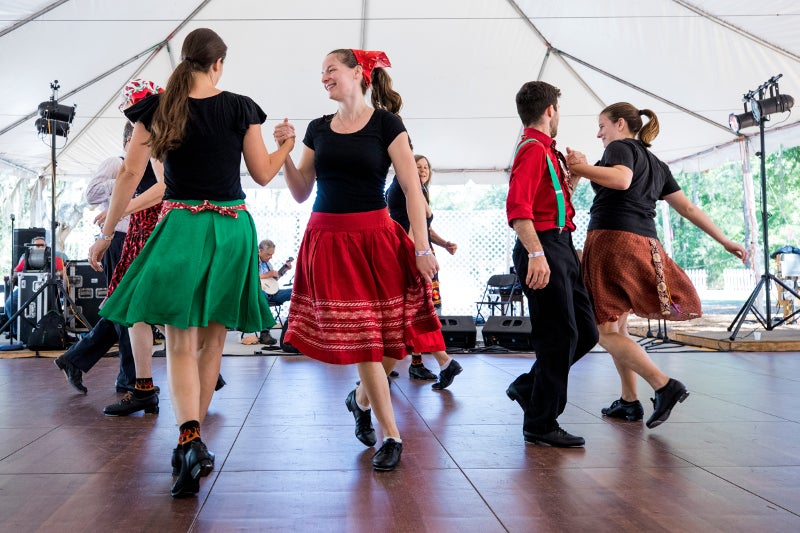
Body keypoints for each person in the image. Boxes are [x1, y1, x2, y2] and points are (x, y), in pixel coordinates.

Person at [88, 28, 292, 497]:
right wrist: (286, 143)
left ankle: (190, 438)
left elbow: (128, 174)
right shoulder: (241, 106)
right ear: (218, 63)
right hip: (232, 228)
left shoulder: (157, 108)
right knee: (212, 343)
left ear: (185, 60)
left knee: (179, 343)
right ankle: (193, 443)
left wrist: (105, 234)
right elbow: (262, 174)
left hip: (180, 227)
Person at [274, 48, 440, 471]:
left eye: (330, 68)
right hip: (329, 240)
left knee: (392, 341)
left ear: (357, 73)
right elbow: (299, 191)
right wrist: (287, 154)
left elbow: (412, 190)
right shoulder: (317, 128)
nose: (324, 76)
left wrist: (422, 247)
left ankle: (360, 399)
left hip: (378, 238)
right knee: (367, 337)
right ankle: (392, 436)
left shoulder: (387, 124)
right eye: (321, 71)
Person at [565, 102, 747, 428]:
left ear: (620, 124)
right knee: (617, 327)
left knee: (602, 332)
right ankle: (629, 401)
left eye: (602, 126)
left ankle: (664, 385)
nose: (598, 133)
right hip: (645, 243)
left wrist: (578, 169)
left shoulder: (620, 147)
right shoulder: (657, 164)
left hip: (613, 242)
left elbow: (620, 181)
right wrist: (725, 240)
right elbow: (688, 208)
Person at [504, 81, 599, 448]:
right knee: (557, 337)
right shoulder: (530, 149)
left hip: (561, 243)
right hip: (543, 246)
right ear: (550, 111)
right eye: (558, 109)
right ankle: (541, 423)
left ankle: (529, 387)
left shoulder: (548, 151)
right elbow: (518, 209)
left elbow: (555, 201)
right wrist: (536, 254)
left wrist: (573, 174)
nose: (559, 115)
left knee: (586, 332)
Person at [54, 122, 136, 395]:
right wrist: (125, 182)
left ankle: (74, 359)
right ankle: (128, 378)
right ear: (129, 138)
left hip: (140, 241)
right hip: (118, 240)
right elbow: (91, 194)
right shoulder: (117, 163)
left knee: (124, 309)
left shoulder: (149, 167)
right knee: (125, 309)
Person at [385, 154, 462, 388]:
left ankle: (433, 363)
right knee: (411, 313)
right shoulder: (408, 186)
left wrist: (441, 243)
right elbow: (414, 222)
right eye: (417, 166)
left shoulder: (413, 188)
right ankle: (439, 363)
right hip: (411, 257)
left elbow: (423, 225)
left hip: (415, 256)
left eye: (426, 167)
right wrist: (415, 255)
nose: (422, 170)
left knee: (412, 313)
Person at [3, 236, 66, 337]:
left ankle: (49, 334)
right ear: (32, 248)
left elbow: (64, 272)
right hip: (26, 289)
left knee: (53, 309)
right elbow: (16, 272)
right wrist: (13, 277)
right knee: (10, 303)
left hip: (48, 288)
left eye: (43, 245)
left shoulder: (56, 259)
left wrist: (55, 274)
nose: (41, 247)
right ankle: (16, 331)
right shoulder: (26, 258)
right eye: (37, 245)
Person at [241, 239, 292, 345]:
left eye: (272, 254)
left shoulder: (268, 264)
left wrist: (284, 270)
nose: (270, 257)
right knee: (261, 296)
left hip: (272, 293)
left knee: (294, 292)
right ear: (260, 251)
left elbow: (272, 281)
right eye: (268, 254)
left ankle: (295, 326)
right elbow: (247, 278)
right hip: (258, 293)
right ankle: (265, 333)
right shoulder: (251, 261)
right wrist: (266, 275)